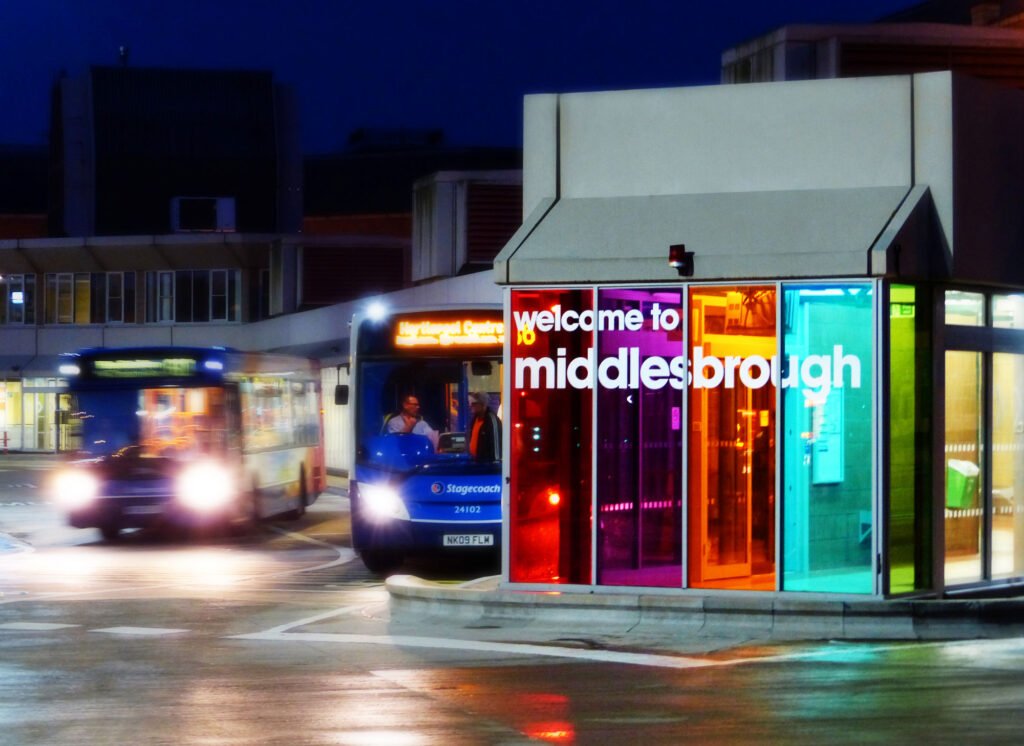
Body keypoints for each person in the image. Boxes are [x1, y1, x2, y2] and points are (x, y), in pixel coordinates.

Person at [467, 391, 501, 462]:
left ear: (483, 405)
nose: (471, 406)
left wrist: (495, 464)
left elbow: (496, 445)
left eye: (474, 403)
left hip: (487, 466)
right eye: (470, 403)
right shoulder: (474, 419)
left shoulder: (492, 421)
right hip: (475, 462)